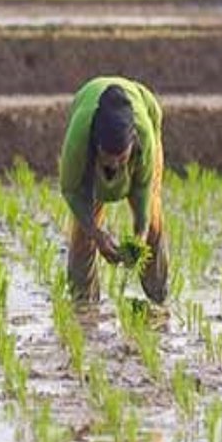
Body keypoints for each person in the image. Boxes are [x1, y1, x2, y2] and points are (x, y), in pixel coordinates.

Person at [58, 76, 169, 304]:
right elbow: (70, 190)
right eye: (108, 158)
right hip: (87, 110)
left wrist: (139, 235)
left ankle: (158, 296)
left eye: (121, 158)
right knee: (82, 232)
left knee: (153, 223)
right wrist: (97, 234)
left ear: (132, 143)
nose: (115, 165)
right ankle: (83, 303)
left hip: (144, 109)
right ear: (97, 146)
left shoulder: (144, 135)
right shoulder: (79, 138)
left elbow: (143, 188)